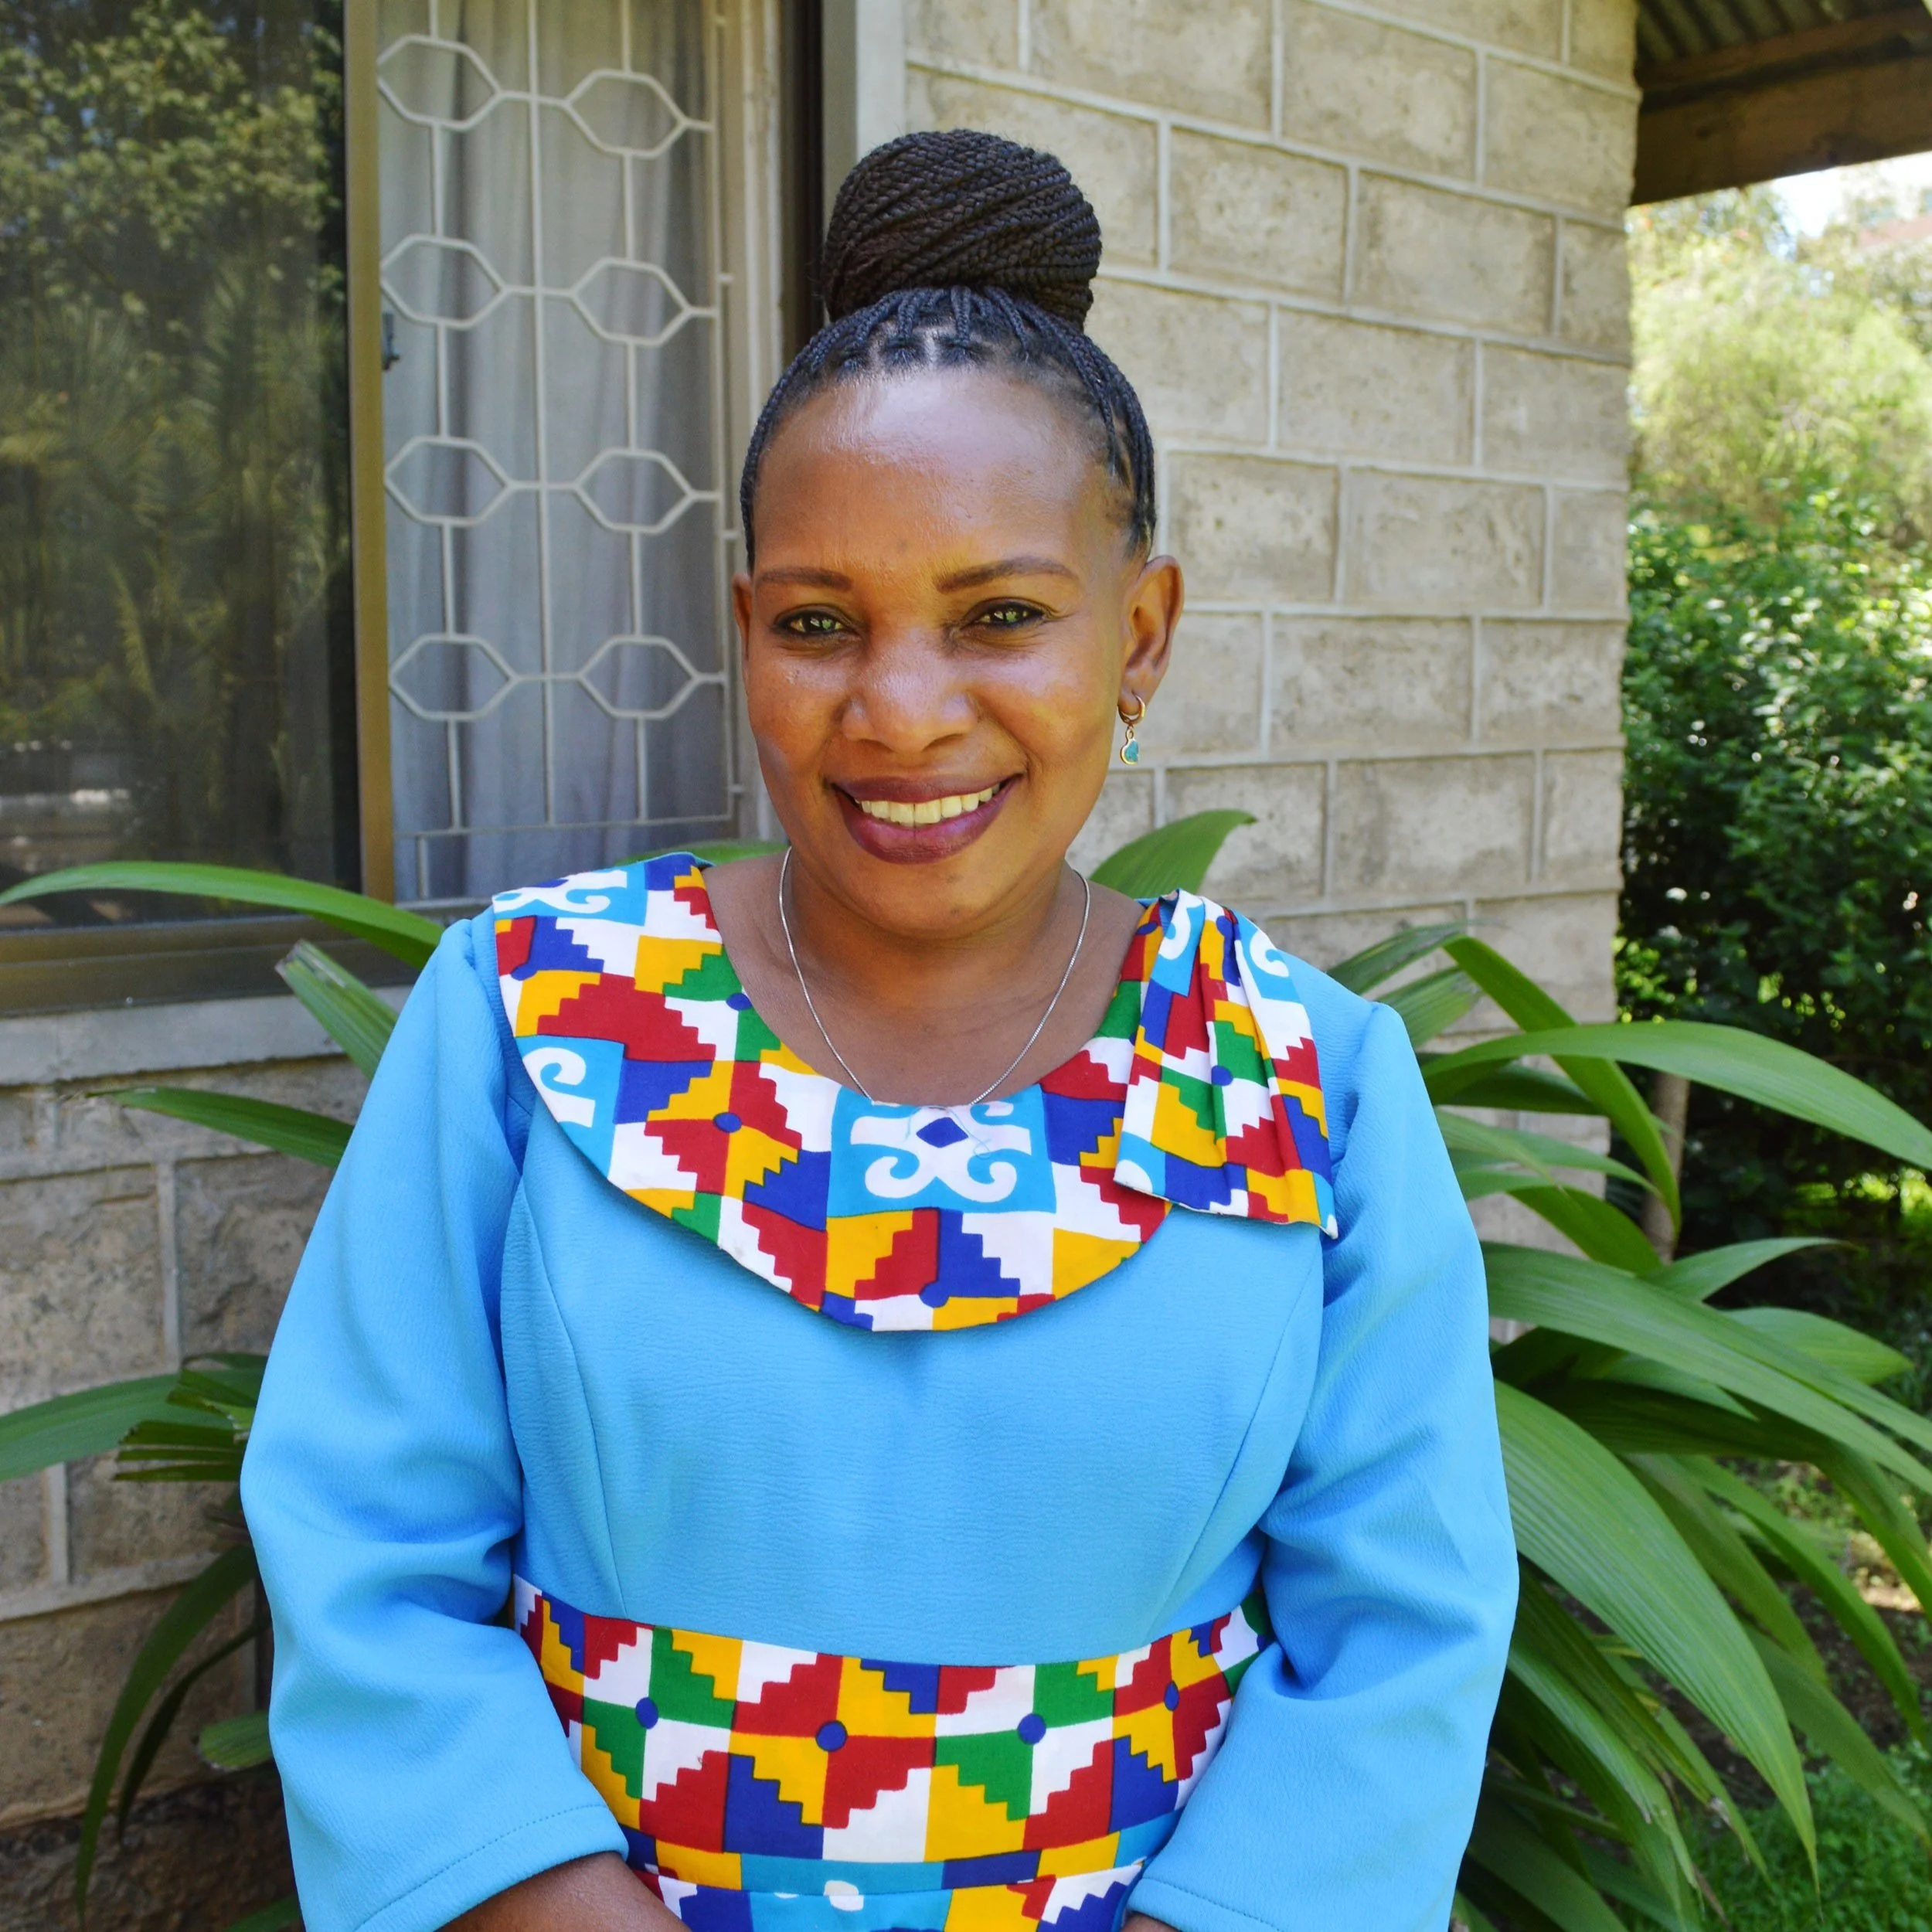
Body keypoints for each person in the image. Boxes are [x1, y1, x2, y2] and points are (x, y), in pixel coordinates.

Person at [242, 130, 1516, 1932]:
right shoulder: (532, 1019)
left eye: (999, 614)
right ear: (744, 630)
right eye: (821, 622)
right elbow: (363, 1556)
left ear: (1140, 635)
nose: (901, 710)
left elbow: (1396, 1638)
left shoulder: (1298, 1077)